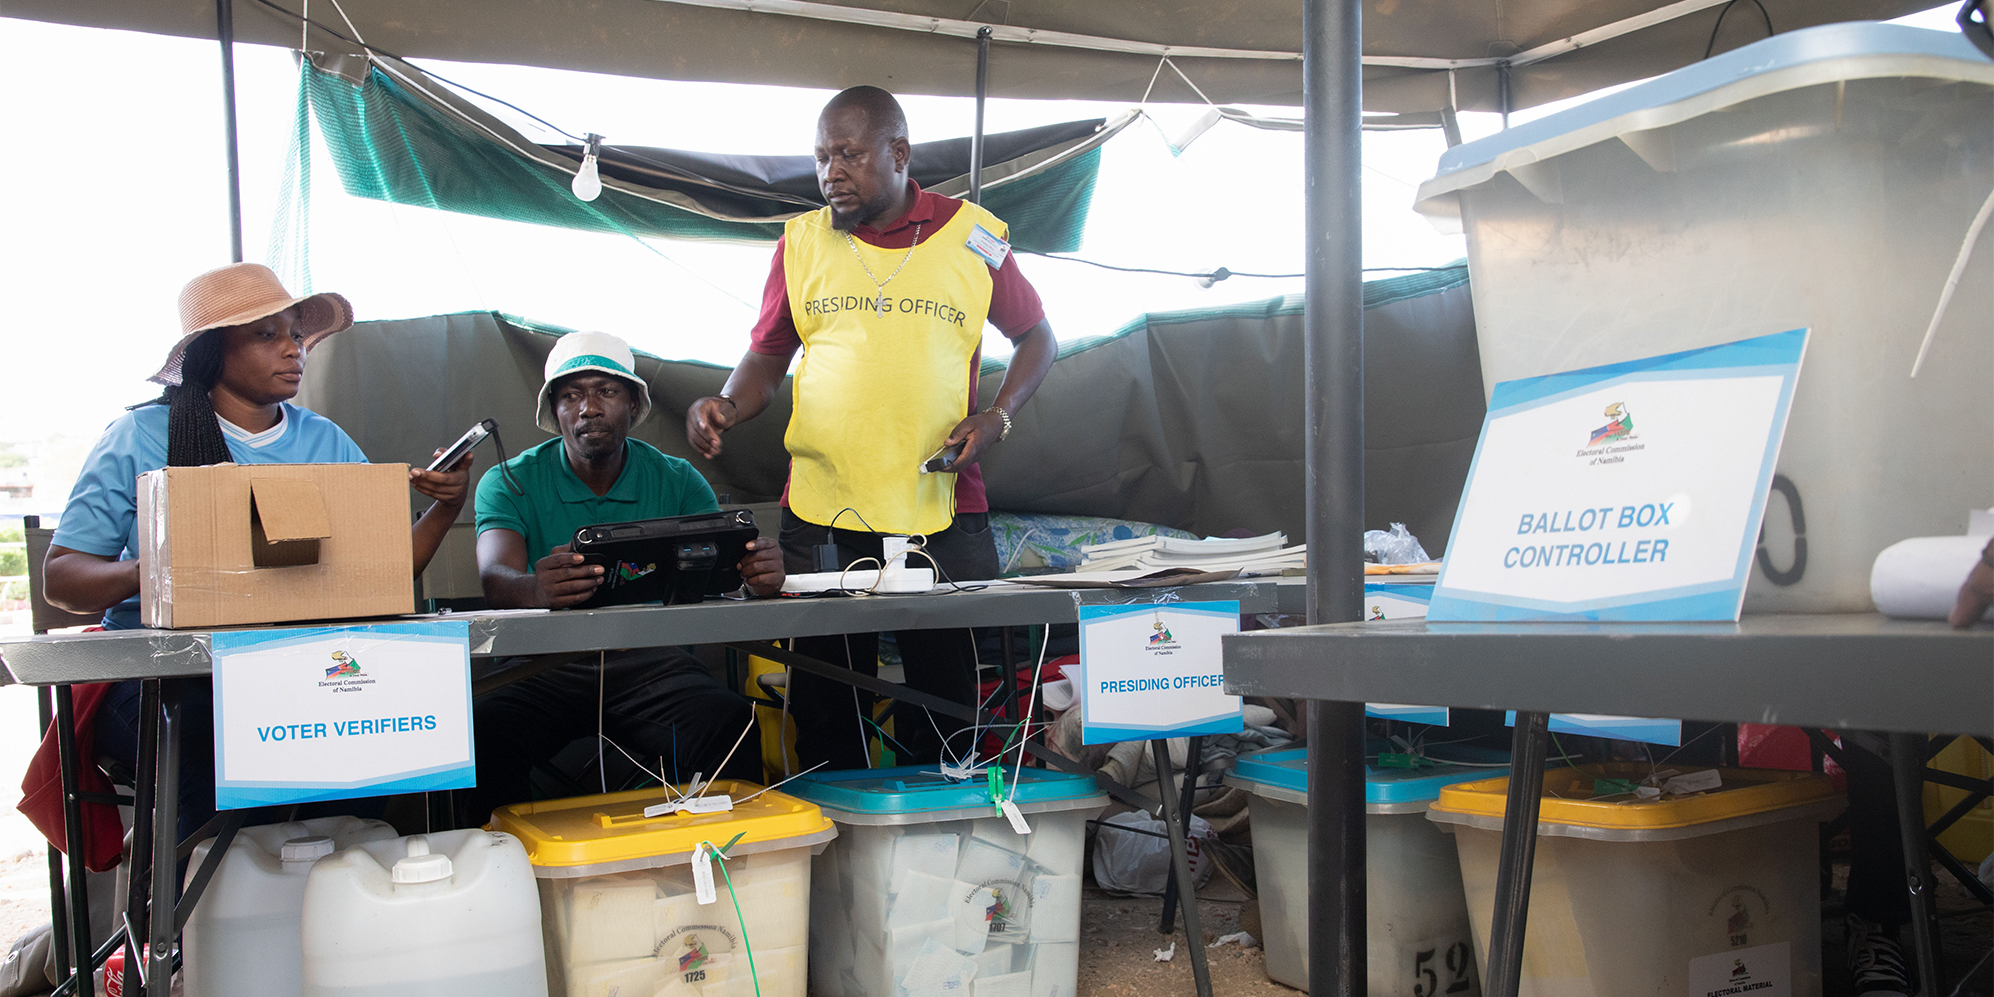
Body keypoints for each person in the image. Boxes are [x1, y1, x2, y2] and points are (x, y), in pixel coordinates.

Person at [685, 86, 1057, 771]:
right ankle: (843, 847)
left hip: (941, 505)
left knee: (949, 699)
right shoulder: (799, 243)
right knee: (826, 696)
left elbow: (1038, 337)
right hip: (825, 506)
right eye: (823, 156)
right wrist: (728, 405)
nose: (832, 171)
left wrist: (995, 415)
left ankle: (940, 840)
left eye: (850, 154)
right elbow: (767, 356)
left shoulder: (976, 235)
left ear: (899, 153)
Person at [38, 262, 473, 844]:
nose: (293, 351)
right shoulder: (141, 436)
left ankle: (334, 904)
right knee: (214, 753)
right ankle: (191, 925)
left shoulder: (325, 440)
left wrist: (444, 507)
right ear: (211, 354)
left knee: (389, 743)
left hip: (289, 666)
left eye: (295, 335)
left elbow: (382, 570)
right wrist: (160, 571)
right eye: (267, 335)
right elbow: (62, 579)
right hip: (164, 677)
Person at [465, 331, 783, 824]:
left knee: (729, 721)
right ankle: (491, 873)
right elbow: (494, 576)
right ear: (554, 410)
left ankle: (735, 863)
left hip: (651, 664)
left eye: (606, 391)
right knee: (481, 730)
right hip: (541, 665)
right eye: (571, 395)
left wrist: (755, 577)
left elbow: (722, 571)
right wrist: (534, 588)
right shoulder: (511, 479)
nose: (588, 407)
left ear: (634, 404)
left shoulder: (676, 478)